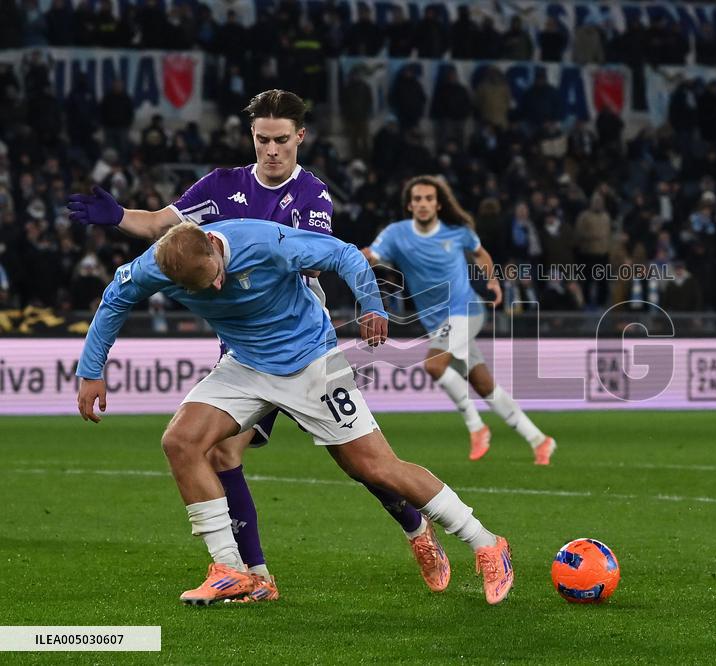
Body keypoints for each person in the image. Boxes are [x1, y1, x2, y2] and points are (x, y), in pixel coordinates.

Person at [67, 90, 440, 601]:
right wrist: (119, 217)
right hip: (243, 348)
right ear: (253, 137)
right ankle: (256, 576)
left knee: (360, 463)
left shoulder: (313, 195)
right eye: (262, 139)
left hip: (302, 342)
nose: (270, 149)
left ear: (300, 138)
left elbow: (312, 261)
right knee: (219, 451)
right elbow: (160, 227)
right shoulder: (221, 187)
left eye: (281, 140)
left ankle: (415, 526)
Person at [76, 220, 514, 605]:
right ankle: (231, 570)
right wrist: (91, 371)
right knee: (180, 441)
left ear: (213, 244)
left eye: (214, 276)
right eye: (198, 287)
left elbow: (343, 254)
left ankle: (487, 543)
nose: (212, 288)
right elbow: (114, 299)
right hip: (246, 365)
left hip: (311, 362)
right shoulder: (154, 265)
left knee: (375, 467)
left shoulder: (266, 242)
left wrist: (373, 304)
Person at [363, 175, 556, 464]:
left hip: (467, 310)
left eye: (429, 198)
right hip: (437, 322)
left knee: (434, 364)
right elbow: (372, 255)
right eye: (417, 199)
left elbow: (481, 253)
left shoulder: (457, 231)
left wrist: (493, 281)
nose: (423, 204)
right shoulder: (396, 234)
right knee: (484, 384)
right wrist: (347, 256)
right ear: (409, 205)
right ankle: (539, 439)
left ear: (439, 204)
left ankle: (476, 426)